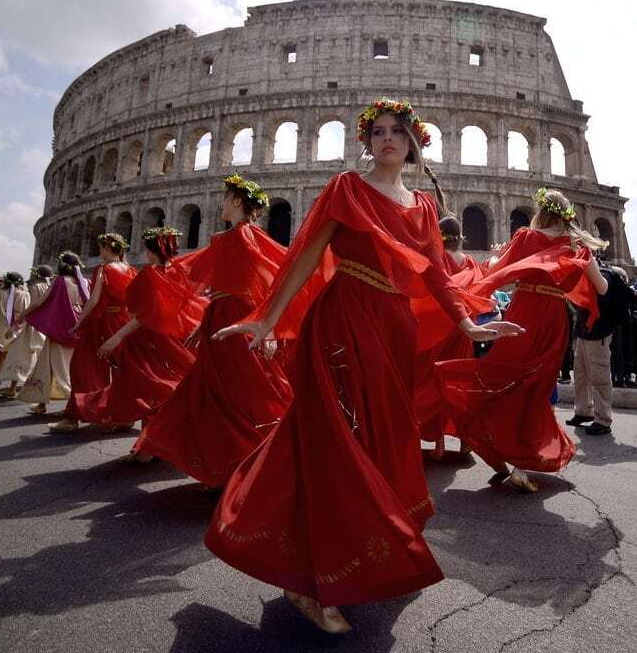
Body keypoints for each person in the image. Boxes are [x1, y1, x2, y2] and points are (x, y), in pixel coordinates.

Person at [205, 99, 523, 633]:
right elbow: (306, 254)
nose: (387, 139)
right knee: (338, 441)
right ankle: (312, 580)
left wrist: (468, 325)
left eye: (398, 131)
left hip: (394, 326)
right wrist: (268, 318)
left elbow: (436, 276)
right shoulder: (346, 189)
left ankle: (348, 553)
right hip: (344, 318)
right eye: (377, 132)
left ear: (413, 143)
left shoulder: (423, 207)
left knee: (377, 440)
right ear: (366, 142)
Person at [437, 188, 609, 491]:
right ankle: (520, 465)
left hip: (522, 312)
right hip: (554, 316)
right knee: (537, 387)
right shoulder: (576, 243)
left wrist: (494, 258)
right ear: (568, 213)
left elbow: (497, 270)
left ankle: (495, 447)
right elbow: (602, 288)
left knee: (503, 377)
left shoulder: (526, 238)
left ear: (540, 210)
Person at [128, 175, 293, 485]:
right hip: (219, 317)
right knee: (211, 391)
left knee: (242, 391)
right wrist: (202, 326)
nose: (221, 204)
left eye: (225, 198)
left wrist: (268, 329)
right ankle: (221, 465)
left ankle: (256, 462)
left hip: (238, 318)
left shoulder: (247, 237)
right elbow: (215, 288)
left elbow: (270, 283)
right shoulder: (224, 238)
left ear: (236, 201)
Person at [75, 227, 205, 429]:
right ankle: (146, 433)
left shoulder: (148, 275)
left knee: (146, 383)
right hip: (173, 334)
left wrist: (115, 338)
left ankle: (144, 439)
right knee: (165, 381)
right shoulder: (177, 272)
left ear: (151, 251)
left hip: (148, 338)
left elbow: (142, 316)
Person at [48, 233, 137, 433]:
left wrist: (79, 322)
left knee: (83, 366)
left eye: (101, 247)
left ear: (107, 248)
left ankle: (74, 417)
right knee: (120, 369)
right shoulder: (130, 269)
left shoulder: (103, 269)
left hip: (102, 322)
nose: (100, 251)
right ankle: (123, 416)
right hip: (122, 322)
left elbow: (94, 300)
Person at [415, 215, 485, 459]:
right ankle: (466, 441)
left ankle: (438, 443)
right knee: (458, 383)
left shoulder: (438, 259)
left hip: (439, 329)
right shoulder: (470, 263)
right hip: (463, 330)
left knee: (433, 381)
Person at [567, 262, 635, 435]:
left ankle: (603, 419)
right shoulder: (586, 276)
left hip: (598, 332)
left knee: (599, 376)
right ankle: (584, 411)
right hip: (583, 331)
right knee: (581, 374)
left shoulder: (603, 277)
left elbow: (600, 300)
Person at [18, 253, 87, 415]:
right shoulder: (83, 282)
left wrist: (23, 314)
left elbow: (40, 301)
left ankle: (79, 405)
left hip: (60, 327)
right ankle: (41, 402)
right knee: (45, 365)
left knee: (62, 370)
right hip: (76, 325)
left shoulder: (60, 281)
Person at [0, 265, 53, 398]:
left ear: (36, 275)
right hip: (44, 327)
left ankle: (12, 389)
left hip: (31, 326)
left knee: (19, 355)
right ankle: (35, 389)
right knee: (37, 358)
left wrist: (16, 325)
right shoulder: (51, 287)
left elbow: (32, 307)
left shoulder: (35, 288)